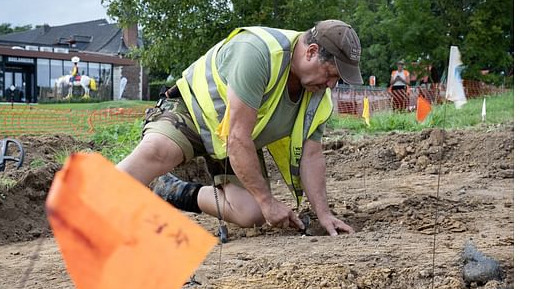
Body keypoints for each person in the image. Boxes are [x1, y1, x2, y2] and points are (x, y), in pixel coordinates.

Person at [117, 20, 362, 236]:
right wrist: (268, 200)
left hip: (232, 142)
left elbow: (311, 155)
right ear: (311, 52)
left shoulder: (318, 95)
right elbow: (237, 137)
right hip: (192, 113)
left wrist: (324, 214)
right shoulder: (258, 53)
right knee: (157, 150)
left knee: (250, 213)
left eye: (337, 81)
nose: (331, 85)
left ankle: (169, 189)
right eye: (331, 74)